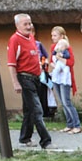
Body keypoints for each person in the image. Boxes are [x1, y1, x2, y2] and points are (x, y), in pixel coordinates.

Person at [7, 13, 52, 149]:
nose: (28, 26)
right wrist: (15, 82)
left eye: (30, 23)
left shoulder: (31, 38)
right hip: (25, 78)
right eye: (25, 24)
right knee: (37, 110)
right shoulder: (14, 40)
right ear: (17, 26)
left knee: (29, 111)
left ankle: (25, 138)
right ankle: (46, 141)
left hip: (36, 78)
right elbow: (11, 64)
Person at [49, 26, 81, 133]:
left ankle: (77, 125)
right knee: (62, 102)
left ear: (61, 36)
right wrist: (55, 65)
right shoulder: (53, 47)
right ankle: (69, 124)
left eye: (55, 35)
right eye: (52, 35)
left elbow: (71, 62)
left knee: (67, 101)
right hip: (56, 78)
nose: (53, 37)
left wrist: (59, 59)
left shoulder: (67, 48)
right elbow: (51, 61)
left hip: (65, 79)